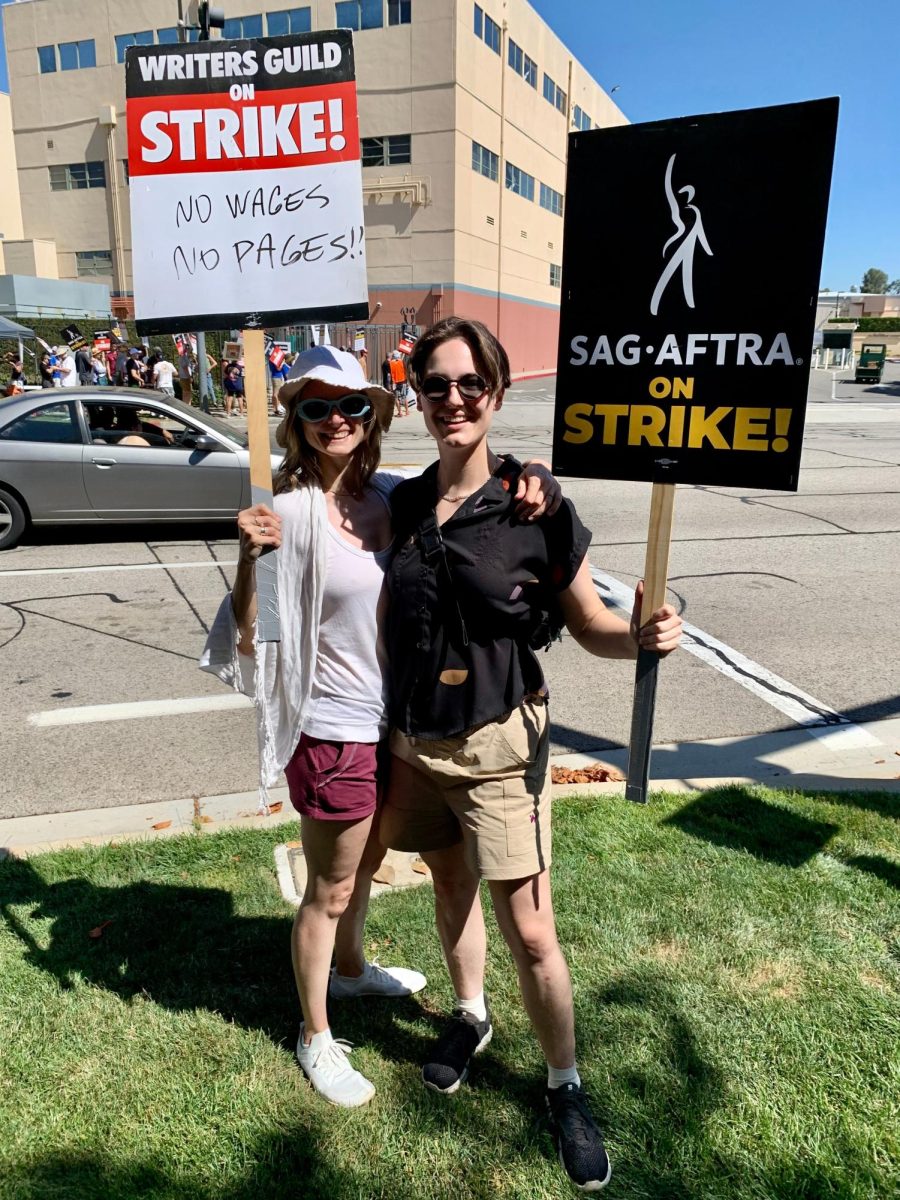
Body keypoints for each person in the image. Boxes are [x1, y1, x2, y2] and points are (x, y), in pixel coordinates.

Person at [200, 345, 560, 1110]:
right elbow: (243, 636)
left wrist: (537, 474)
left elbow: (469, 482)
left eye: (353, 406)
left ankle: (354, 970)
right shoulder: (288, 512)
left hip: (401, 727)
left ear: (377, 416)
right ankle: (316, 1034)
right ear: (295, 422)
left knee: (363, 871)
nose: (337, 420)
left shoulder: (393, 496)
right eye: (317, 407)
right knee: (329, 888)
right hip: (335, 732)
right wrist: (245, 560)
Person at [379, 316, 683, 1192]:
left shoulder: (532, 507)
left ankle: (564, 1083)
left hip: (500, 747)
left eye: (469, 384)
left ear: (498, 392)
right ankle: (470, 1016)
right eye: (434, 385)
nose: (452, 401)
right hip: (414, 742)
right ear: (418, 397)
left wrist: (643, 637)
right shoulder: (401, 504)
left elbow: (589, 625)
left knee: (533, 930)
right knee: (447, 887)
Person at [389, 351, 408, 417]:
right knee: (404, 396)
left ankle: (400, 412)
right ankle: (407, 412)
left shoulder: (391, 363)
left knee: (396, 398)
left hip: (395, 383)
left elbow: (390, 373)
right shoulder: (402, 362)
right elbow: (405, 371)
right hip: (403, 381)